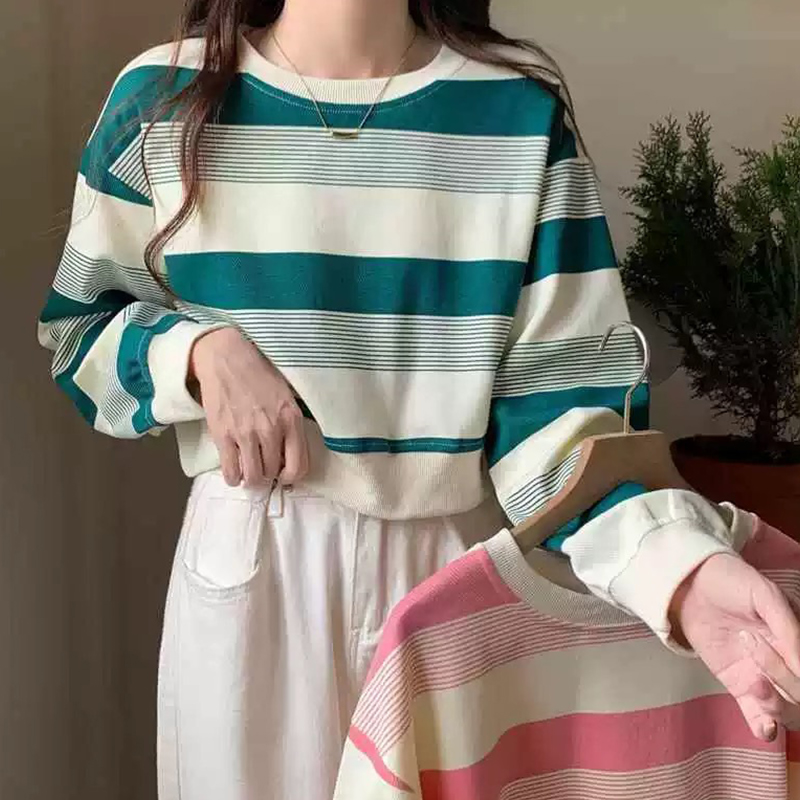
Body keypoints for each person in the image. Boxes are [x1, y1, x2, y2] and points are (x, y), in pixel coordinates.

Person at [37, 1, 800, 798]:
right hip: (256, 559)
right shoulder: (162, 98)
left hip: (452, 567)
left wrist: (679, 569)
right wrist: (196, 354)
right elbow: (76, 331)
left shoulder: (515, 112)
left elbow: (565, 416)